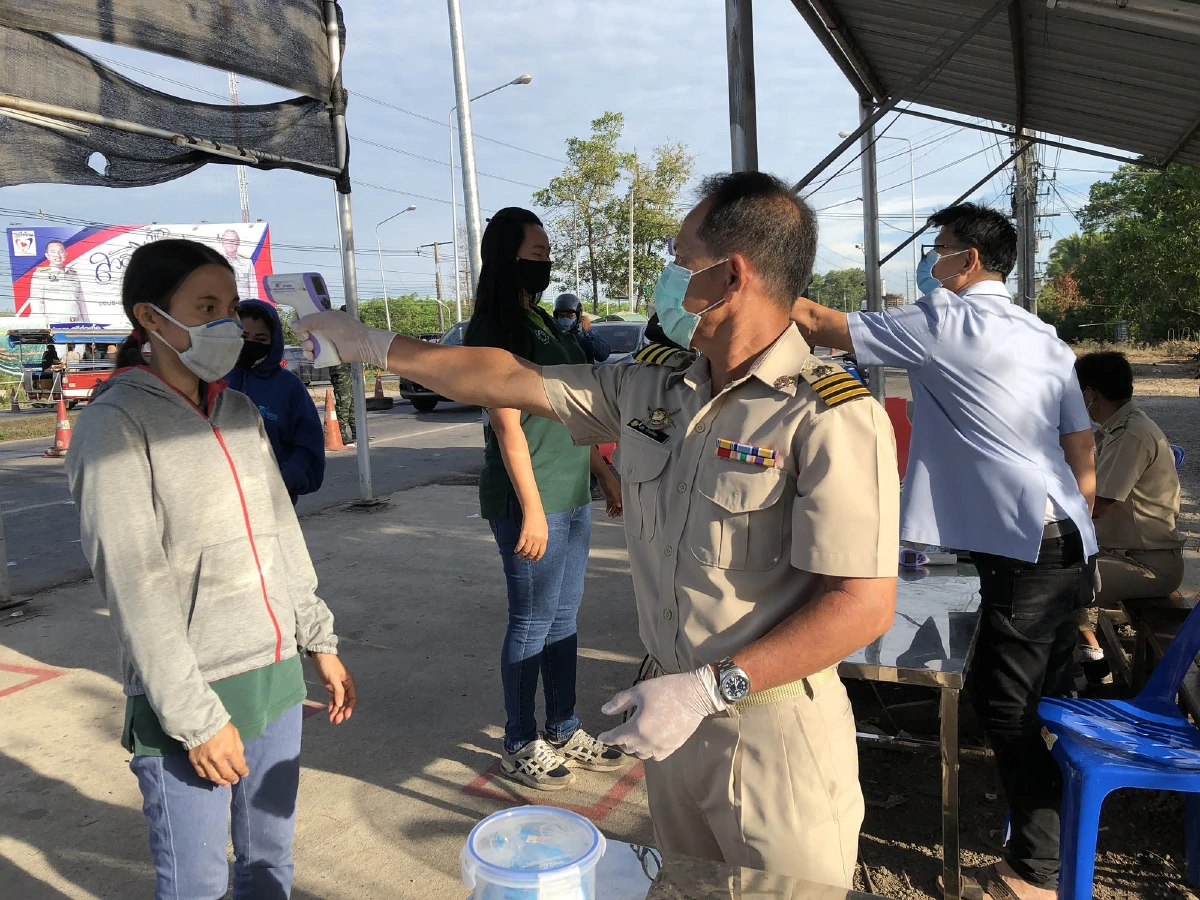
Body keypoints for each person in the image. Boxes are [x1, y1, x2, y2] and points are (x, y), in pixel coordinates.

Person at [296, 172, 900, 887]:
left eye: (680, 261)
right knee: (685, 886)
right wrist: (370, 343)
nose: (667, 281)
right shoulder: (657, 384)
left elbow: (862, 603)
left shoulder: (828, 414)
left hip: (771, 732)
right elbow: (509, 377)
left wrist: (711, 689)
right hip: (670, 720)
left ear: (731, 275)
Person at [791, 202, 1097, 900]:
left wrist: (754, 269)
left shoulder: (944, 317)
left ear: (970, 261)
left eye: (940, 248)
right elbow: (1079, 444)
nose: (932, 259)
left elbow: (817, 324)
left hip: (1027, 543)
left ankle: (1036, 874)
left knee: (1004, 706)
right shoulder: (1042, 333)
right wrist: (1076, 516)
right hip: (1065, 538)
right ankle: (1047, 834)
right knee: (1038, 701)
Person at [65, 238, 356, 900]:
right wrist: (196, 717)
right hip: (190, 693)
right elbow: (135, 588)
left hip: (276, 677)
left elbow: (281, 532)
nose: (228, 323)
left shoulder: (237, 410)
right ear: (151, 317)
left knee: (269, 864)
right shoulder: (115, 425)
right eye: (206, 305)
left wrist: (318, 639)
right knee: (197, 883)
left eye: (229, 304)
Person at [462, 207, 625, 791]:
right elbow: (507, 423)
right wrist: (531, 508)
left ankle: (562, 725)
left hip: (571, 490)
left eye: (547, 252)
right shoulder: (496, 325)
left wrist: (603, 474)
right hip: (529, 499)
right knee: (531, 622)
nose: (546, 261)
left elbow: (571, 411)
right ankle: (517, 740)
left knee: (564, 616)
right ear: (506, 256)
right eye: (535, 252)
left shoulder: (549, 324)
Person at [1073, 351, 1184, 687]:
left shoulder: (1131, 435)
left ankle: (1085, 673)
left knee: (1053, 583)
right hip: (1125, 554)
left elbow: (1098, 504)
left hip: (1148, 565)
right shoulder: (1120, 428)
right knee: (1054, 573)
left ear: (1090, 393)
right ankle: (1091, 662)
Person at [225, 300, 326, 504]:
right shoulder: (213, 378)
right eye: (243, 336)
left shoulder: (289, 387)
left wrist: (285, 479)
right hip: (221, 502)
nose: (250, 343)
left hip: (273, 503)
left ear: (274, 341)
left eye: (260, 338)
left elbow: (308, 447)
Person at [25, 238, 86, 322]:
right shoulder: (41, 274)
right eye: (53, 252)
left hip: (77, 323)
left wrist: (87, 322)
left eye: (60, 252)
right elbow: (37, 302)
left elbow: (81, 302)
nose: (57, 255)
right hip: (55, 324)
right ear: (47, 255)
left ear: (65, 253)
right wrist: (40, 325)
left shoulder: (73, 274)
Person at [553, 293, 610, 363]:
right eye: (562, 316)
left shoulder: (585, 335)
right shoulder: (552, 335)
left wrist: (587, 333)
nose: (565, 319)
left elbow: (602, 356)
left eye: (570, 316)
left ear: (578, 316)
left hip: (583, 373)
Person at [221, 229, 260, 300]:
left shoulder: (247, 262)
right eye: (227, 240)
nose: (230, 243)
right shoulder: (217, 262)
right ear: (222, 242)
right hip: (224, 304)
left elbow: (254, 287)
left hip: (243, 305)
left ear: (238, 242)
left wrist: (254, 305)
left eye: (233, 241)